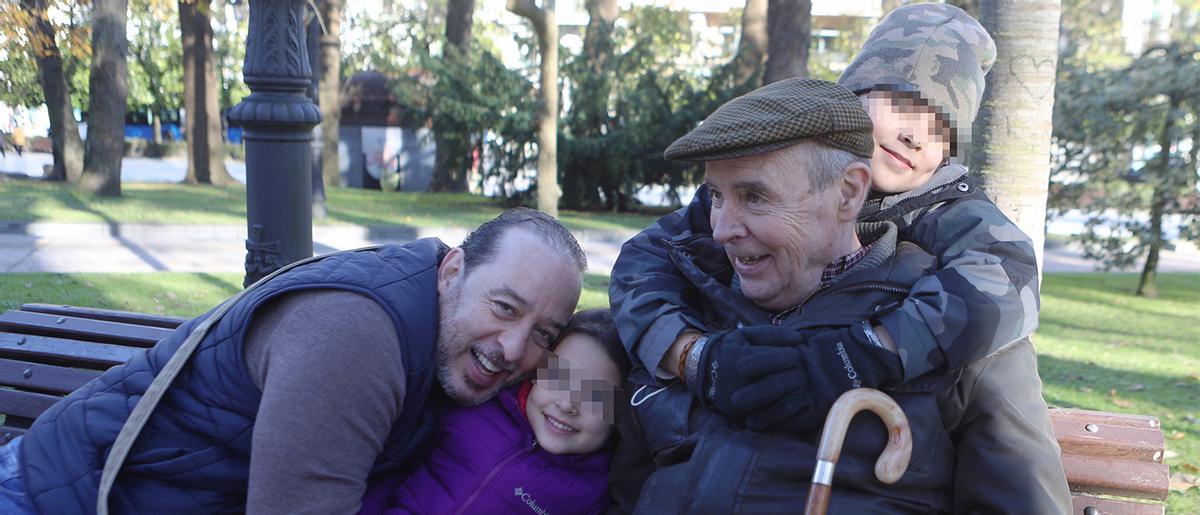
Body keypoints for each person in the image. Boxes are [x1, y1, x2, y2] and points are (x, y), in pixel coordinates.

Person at [606, 78, 1070, 512]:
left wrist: (860, 357)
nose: (723, 230)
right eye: (717, 197)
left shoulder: (966, 337)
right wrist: (694, 357)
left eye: (755, 197)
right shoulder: (686, 301)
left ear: (848, 193)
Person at [0, 208, 587, 514]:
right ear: (454, 270)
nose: (513, 348)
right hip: (54, 497)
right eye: (505, 307)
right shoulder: (357, 339)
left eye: (543, 333)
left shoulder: (444, 332)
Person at [360, 308, 631, 514]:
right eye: (559, 378)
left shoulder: (597, 490)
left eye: (595, 395)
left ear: (620, 413)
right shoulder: (479, 405)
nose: (567, 405)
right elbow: (399, 462)